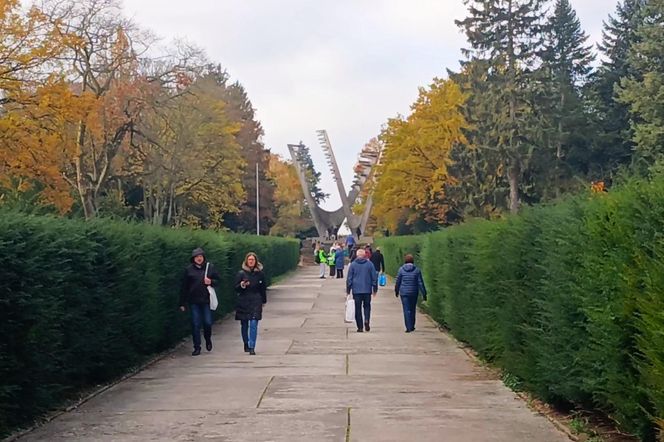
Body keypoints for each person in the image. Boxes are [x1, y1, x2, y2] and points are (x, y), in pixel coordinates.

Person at [179, 247, 221, 356]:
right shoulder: (188, 270)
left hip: (206, 300)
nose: (199, 259)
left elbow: (218, 281)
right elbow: (184, 287)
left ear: (203, 257)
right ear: (193, 258)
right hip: (194, 301)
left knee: (207, 322)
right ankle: (197, 347)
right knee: (195, 324)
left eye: (201, 256)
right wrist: (182, 303)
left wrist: (210, 281)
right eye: (197, 257)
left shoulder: (209, 268)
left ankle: (208, 339)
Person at [235, 252, 267, 355]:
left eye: (253, 260)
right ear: (246, 261)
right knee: (244, 324)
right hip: (244, 300)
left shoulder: (260, 274)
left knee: (253, 323)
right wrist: (242, 285)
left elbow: (263, 288)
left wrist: (263, 301)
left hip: (256, 299)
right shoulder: (241, 273)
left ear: (256, 261)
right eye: (249, 260)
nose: (251, 261)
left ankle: (252, 346)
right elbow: (235, 288)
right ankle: (246, 343)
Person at [346, 249, 378, 332]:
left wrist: (348, 290)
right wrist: (375, 288)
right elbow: (374, 277)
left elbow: (349, 278)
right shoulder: (370, 264)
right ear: (365, 255)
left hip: (356, 290)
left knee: (358, 308)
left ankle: (360, 327)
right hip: (367, 290)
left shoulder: (353, 265)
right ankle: (366, 320)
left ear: (357, 255)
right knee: (367, 306)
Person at [395, 254, 427, 333]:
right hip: (414, 292)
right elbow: (420, 282)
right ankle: (412, 325)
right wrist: (424, 293)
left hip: (404, 293)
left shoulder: (401, 270)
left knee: (406, 309)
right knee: (413, 309)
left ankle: (408, 327)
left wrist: (396, 290)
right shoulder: (417, 270)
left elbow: (398, 281)